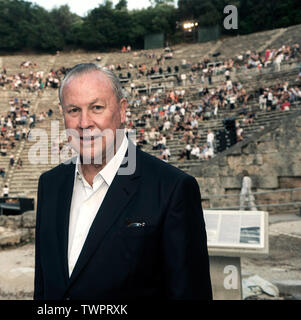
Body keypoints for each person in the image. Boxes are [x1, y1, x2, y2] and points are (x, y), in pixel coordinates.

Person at [34, 63, 212, 300]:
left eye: (97, 107)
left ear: (122, 110)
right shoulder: (50, 185)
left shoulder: (172, 189)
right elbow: (44, 288)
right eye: (74, 110)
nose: (84, 123)